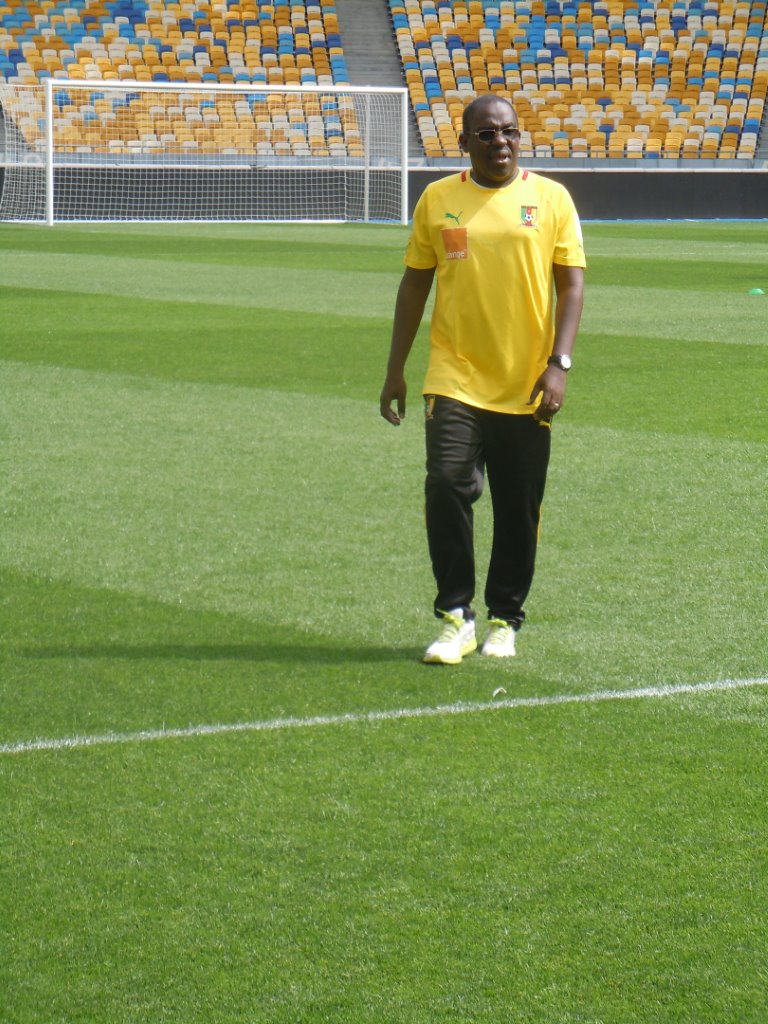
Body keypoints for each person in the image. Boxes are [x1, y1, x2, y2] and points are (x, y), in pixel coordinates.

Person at [379, 93, 586, 665]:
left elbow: (571, 284)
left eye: (510, 132)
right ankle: (455, 616)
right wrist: (395, 369)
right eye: (488, 134)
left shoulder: (551, 199)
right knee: (446, 483)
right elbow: (414, 284)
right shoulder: (438, 198)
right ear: (465, 141)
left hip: (526, 383)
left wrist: (559, 364)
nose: (501, 142)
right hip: (454, 375)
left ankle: (504, 619)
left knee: (518, 508)